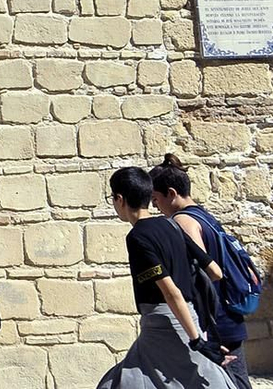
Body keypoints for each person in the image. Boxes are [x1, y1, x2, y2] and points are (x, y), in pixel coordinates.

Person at [97, 166, 234, 389]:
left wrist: (197, 342)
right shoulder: (172, 225)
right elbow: (215, 271)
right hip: (188, 320)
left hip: (163, 327)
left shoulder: (138, 237)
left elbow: (171, 292)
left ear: (119, 199)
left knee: (122, 382)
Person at [151, 156, 252, 389]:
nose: (156, 207)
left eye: (156, 200)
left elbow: (201, 274)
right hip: (228, 314)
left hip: (216, 319)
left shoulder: (184, 221)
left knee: (231, 383)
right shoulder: (203, 214)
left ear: (171, 193)